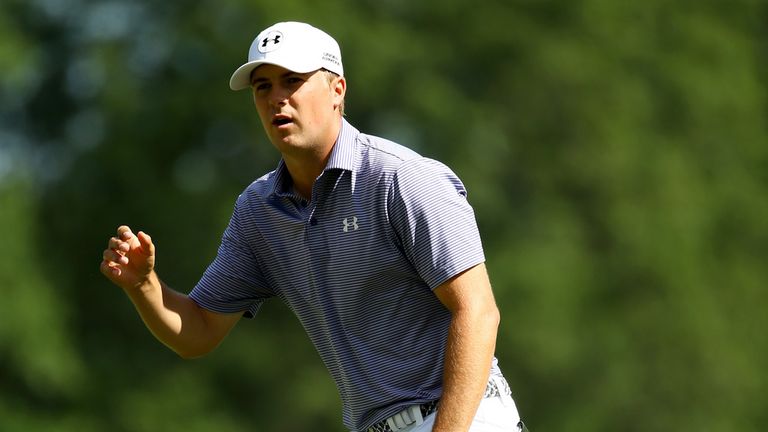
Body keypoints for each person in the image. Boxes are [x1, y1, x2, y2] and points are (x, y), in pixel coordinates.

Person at [100, 21, 527, 432]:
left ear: (337, 89)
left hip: (467, 416)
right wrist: (145, 286)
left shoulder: (401, 178)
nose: (276, 99)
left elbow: (478, 311)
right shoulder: (258, 211)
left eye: (292, 81)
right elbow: (197, 331)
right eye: (262, 87)